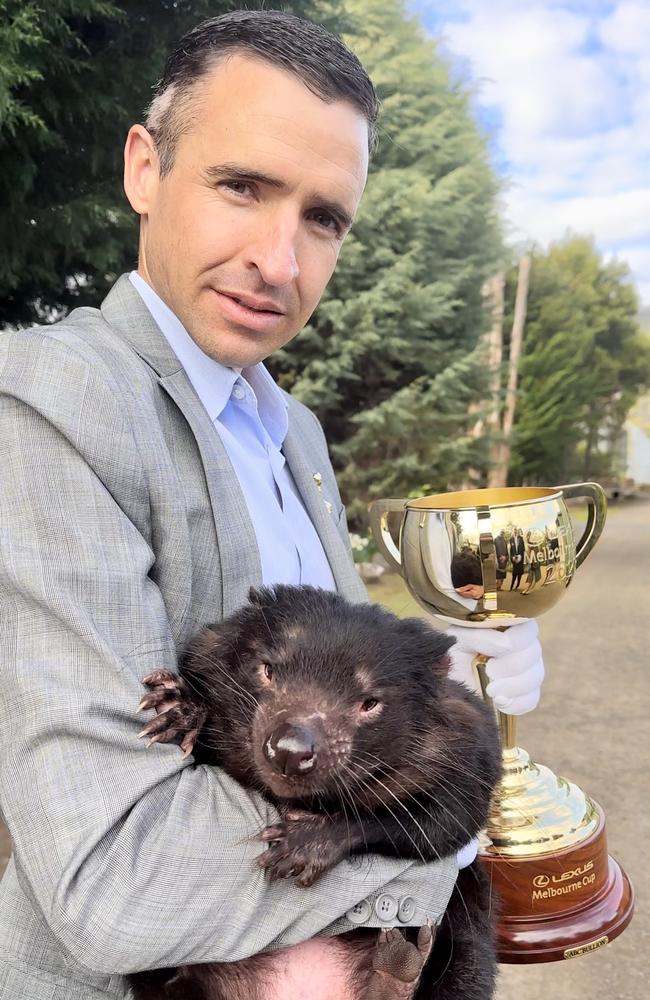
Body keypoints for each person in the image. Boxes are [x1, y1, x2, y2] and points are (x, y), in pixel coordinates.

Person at [0, 10, 544, 999]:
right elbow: (113, 874)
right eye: (240, 186)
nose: (280, 263)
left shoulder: (290, 430)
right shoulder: (50, 399)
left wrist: (441, 690)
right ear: (143, 169)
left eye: (323, 218)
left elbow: (325, 665)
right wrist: (448, 828)